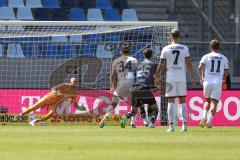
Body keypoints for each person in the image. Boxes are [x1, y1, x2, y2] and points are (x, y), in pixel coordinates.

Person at [156, 29, 196, 132]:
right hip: (181, 77)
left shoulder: (165, 49)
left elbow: (161, 64)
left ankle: (171, 126)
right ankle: (184, 125)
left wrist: (156, 76)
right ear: (179, 37)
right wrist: (192, 77)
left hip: (171, 78)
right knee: (182, 101)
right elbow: (189, 63)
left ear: (170, 36)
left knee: (171, 102)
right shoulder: (184, 48)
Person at [14, 77, 85, 126]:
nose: (75, 82)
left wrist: (79, 108)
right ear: (71, 81)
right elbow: (53, 88)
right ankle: (19, 116)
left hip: (54, 103)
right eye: (74, 81)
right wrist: (60, 94)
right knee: (34, 107)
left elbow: (74, 103)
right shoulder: (64, 85)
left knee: (50, 114)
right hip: (48, 98)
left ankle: (33, 121)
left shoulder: (74, 92)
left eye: (76, 81)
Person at [99, 45, 138, 128]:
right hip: (131, 84)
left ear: (120, 52)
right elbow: (136, 73)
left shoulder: (116, 61)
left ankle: (103, 120)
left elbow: (112, 76)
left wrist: (112, 86)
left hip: (121, 85)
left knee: (113, 103)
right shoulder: (134, 60)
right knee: (134, 104)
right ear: (129, 51)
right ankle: (132, 123)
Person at [121, 49, 158, 128]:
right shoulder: (153, 64)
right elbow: (154, 77)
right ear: (151, 55)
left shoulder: (139, 65)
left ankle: (125, 117)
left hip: (135, 89)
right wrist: (155, 86)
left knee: (134, 111)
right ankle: (151, 123)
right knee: (155, 108)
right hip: (145, 89)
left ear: (144, 55)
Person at [198, 39, 229, 128]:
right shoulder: (223, 57)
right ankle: (209, 122)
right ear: (219, 47)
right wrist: (223, 79)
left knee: (207, 101)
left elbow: (200, 67)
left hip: (207, 82)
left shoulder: (206, 56)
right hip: (217, 82)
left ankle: (203, 116)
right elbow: (226, 72)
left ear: (210, 47)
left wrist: (201, 78)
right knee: (214, 103)